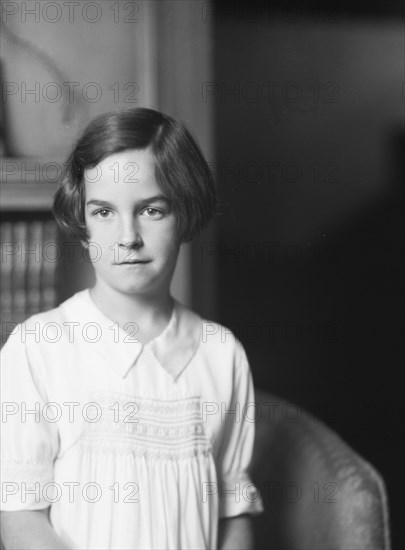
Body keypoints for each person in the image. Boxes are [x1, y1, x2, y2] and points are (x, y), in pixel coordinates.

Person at [0, 108, 263, 550]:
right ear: (83, 224)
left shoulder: (221, 354)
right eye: (103, 212)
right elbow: (22, 517)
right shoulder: (38, 348)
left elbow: (232, 513)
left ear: (185, 214)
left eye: (151, 210)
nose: (128, 236)